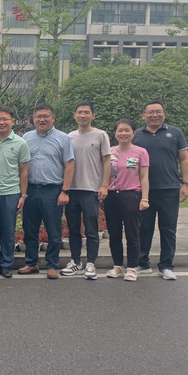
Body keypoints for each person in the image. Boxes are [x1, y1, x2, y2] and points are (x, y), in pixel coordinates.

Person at [132, 100, 188, 280]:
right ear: (144, 116)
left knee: (168, 229)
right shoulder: (136, 135)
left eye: (158, 111)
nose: (155, 115)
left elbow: (184, 159)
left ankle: (166, 266)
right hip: (143, 191)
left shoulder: (175, 133)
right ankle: (142, 263)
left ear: (164, 114)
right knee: (143, 228)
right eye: (150, 112)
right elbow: (130, 161)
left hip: (169, 188)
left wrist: (186, 183)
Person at [18, 103, 74, 280]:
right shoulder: (26, 138)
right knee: (30, 229)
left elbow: (69, 164)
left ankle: (52, 265)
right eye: (38, 116)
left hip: (53, 190)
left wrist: (65, 191)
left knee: (53, 230)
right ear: (33, 119)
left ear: (53, 118)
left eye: (46, 116)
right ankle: (31, 263)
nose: (42, 119)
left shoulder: (63, 138)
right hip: (30, 190)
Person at [61, 100, 111, 280]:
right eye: (80, 112)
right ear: (75, 116)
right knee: (73, 229)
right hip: (72, 189)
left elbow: (107, 161)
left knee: (91, 229)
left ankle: (91, 263)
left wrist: (104, 185)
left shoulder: (101, 135)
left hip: (91, 190)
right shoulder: (69, 137)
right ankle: (76, 262)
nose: (83, 115)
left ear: (93, 116)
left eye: (86, 112)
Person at [0, 106, 30, 278]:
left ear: (12, 122)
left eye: (5, 119)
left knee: (8, 232)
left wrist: (23, 195)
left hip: (11, 192)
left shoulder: (21, 143)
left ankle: (7, 264)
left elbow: (24, 171)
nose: (1, 122)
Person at [104, 119, 150, 282]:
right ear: (115, 133)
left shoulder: (140, 152)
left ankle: (132, 267)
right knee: (114, 233)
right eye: (120, 130)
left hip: (131, 195)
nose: (123, 133)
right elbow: (104, 174)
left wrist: (145, 198)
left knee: (132, 233)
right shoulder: (110, 152)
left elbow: (144, 177)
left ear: (134, 133)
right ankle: (117, 265)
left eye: (127, 130)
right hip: (112, 196)